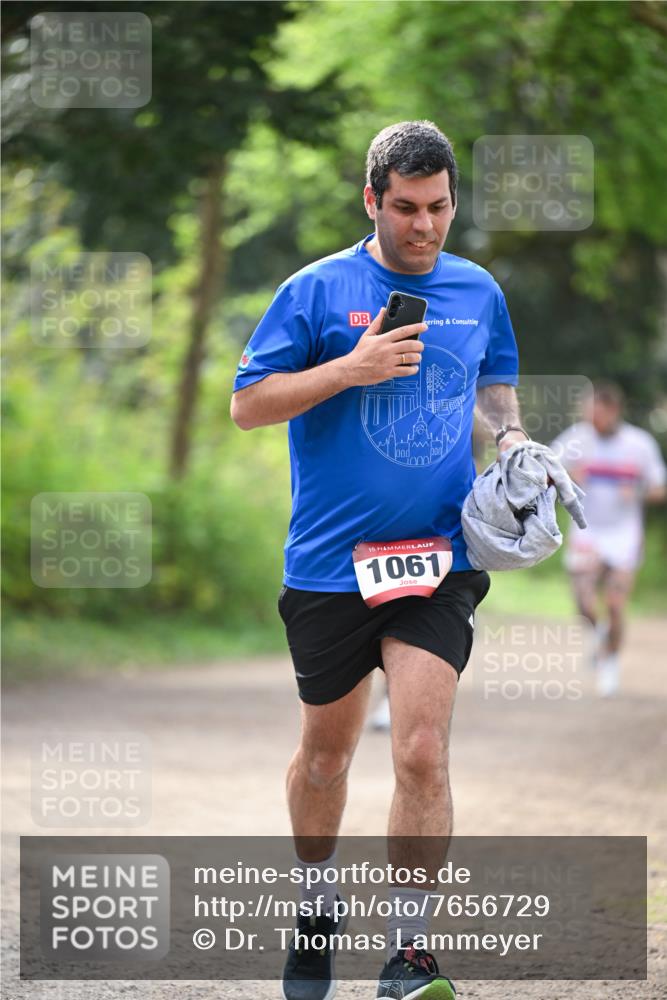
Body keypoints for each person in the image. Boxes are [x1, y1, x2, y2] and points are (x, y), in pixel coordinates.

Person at [231, 120, 526, 1000]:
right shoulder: (316, 290)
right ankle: (315, 903)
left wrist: (512, 440)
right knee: (325, 758)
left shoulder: (477, 290)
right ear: (371, 201)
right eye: (405, 208)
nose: (424, 226)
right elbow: (249, 405)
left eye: (438, 207)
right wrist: (347, 369)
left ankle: (410, 953)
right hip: (328, 566)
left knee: (422, 752)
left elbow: (493, 382)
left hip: (437, 559)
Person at [551, 382, 666, 697]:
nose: (588, 418)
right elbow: (546, 466)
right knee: (584, 603)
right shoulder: (577, 438)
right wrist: (568, 475)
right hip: (587, 530)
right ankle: (601, 636)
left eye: (594, 413)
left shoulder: (638, 444)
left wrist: (638, 490)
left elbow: (659, 487)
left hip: (624, 534)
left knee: (616, 602)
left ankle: (610, 661)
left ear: (612, 410)